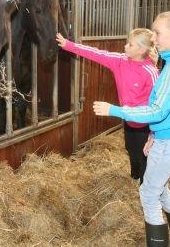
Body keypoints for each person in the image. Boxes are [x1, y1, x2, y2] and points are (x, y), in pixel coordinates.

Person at [93, 10, 170, 247]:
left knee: (148, 193)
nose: (154, 39)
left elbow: (157, 110)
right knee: (159, 188)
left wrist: (115, 110)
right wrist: (154, 133)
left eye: (158, 32)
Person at [56, 28, 159, 184]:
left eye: (130, 45)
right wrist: (68, 45)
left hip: (145, 124)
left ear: (141, 50)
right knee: (131, 149)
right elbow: (96, 53)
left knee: (144, 155)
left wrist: (154, 132)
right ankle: (134, 178)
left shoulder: (150, 72)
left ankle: (146, 187)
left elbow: (156, 104)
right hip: (128, 120)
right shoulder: (119, 61)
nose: (125, 47)